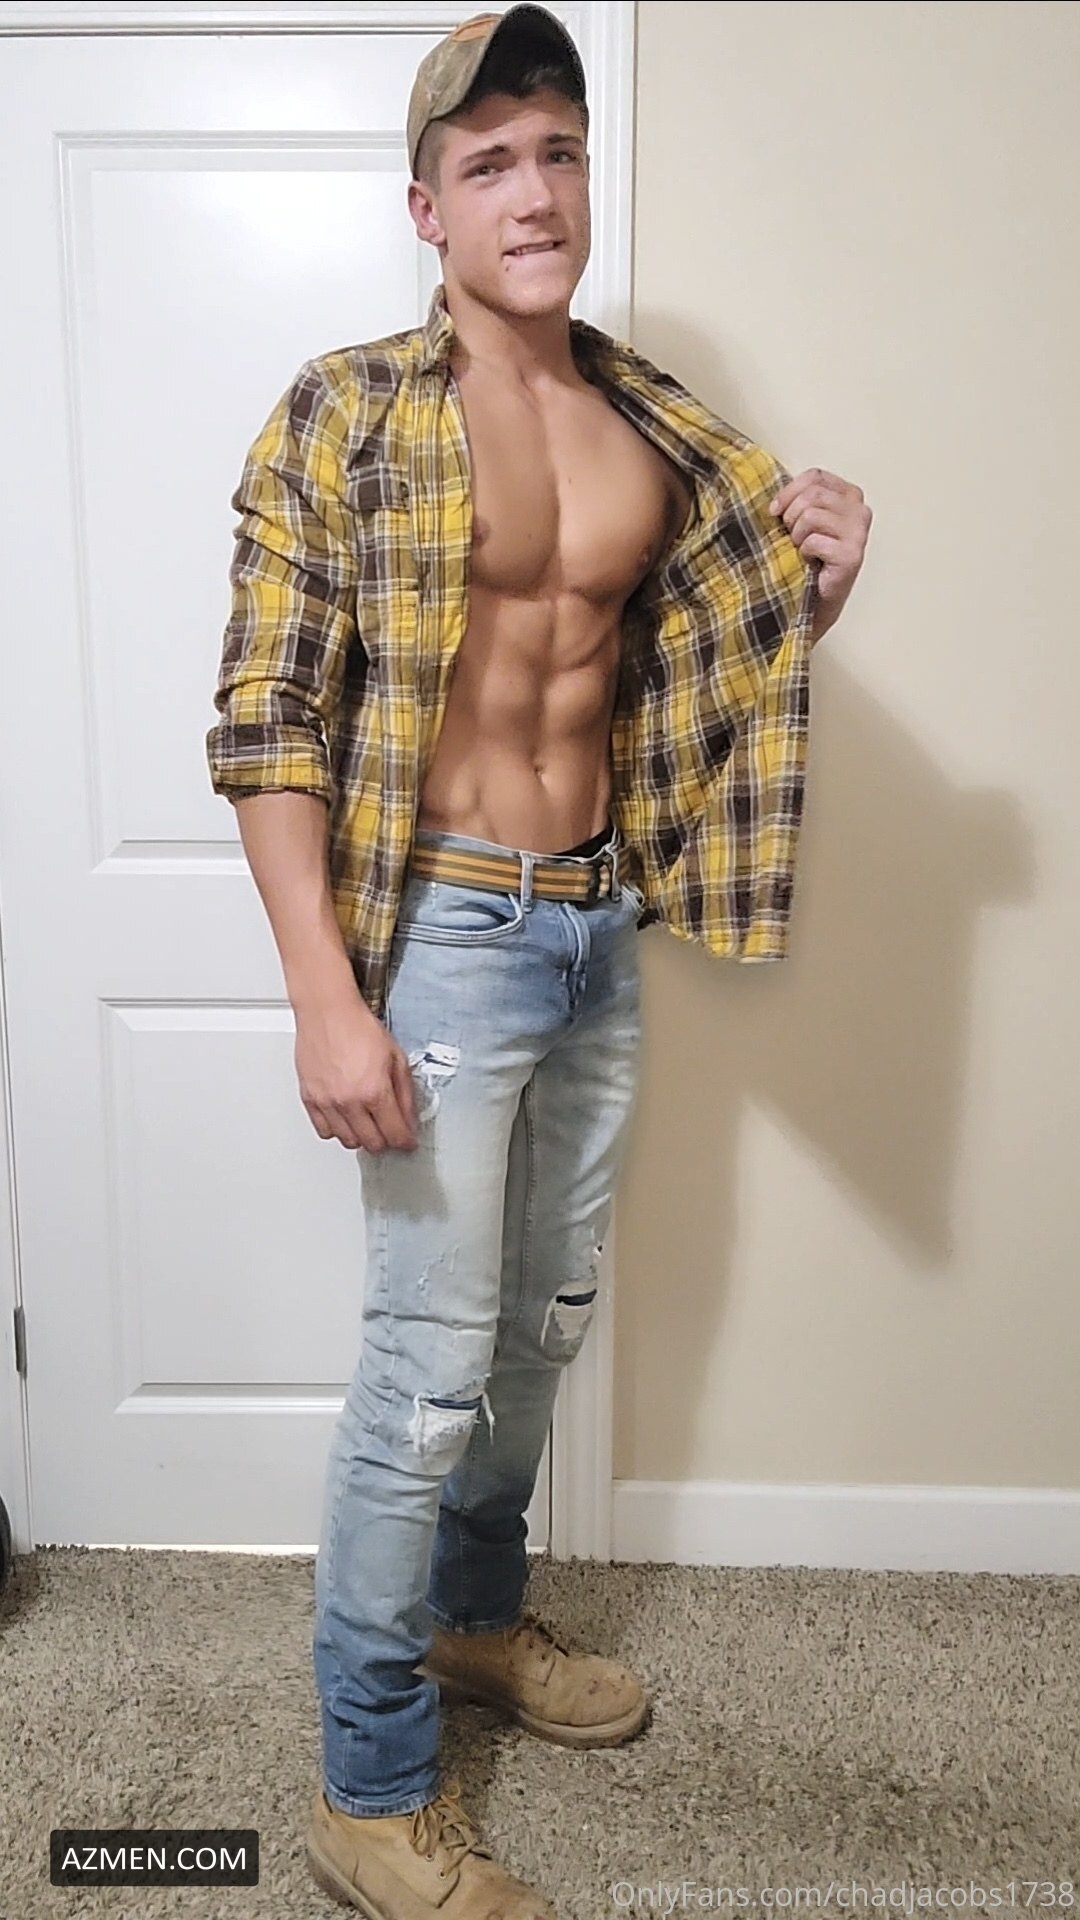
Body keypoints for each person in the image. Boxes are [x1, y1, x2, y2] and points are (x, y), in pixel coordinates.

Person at [205, 7, 871, 1914]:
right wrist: (325, 1000)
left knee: (540, 1326)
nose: (535, 191)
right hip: (444, 936)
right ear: (426, 205)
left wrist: (820, 585)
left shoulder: (654, 425)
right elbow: (267, 719)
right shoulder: (348, 411)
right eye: (489, 160)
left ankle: (474, 1619)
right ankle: (367, 1788)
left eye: (558, 150)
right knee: (425, 1370)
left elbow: (692, 678)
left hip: (596, 925)